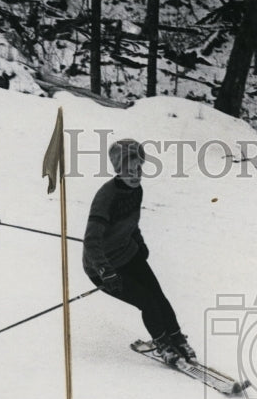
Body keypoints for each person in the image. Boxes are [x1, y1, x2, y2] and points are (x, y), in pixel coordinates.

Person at [82, 138, 196, 364]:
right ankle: (162, 343)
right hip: (102, 266)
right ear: (118, 169)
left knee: (158, 295)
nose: (136, 173)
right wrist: (105, 271)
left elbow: (131, 224)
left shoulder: (137, 191)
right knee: (147, 301)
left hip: (128, 253)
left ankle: (176, 337)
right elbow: (91, 240)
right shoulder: (106, 197)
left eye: (139, 167)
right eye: (128, 169)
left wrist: (139, 243)